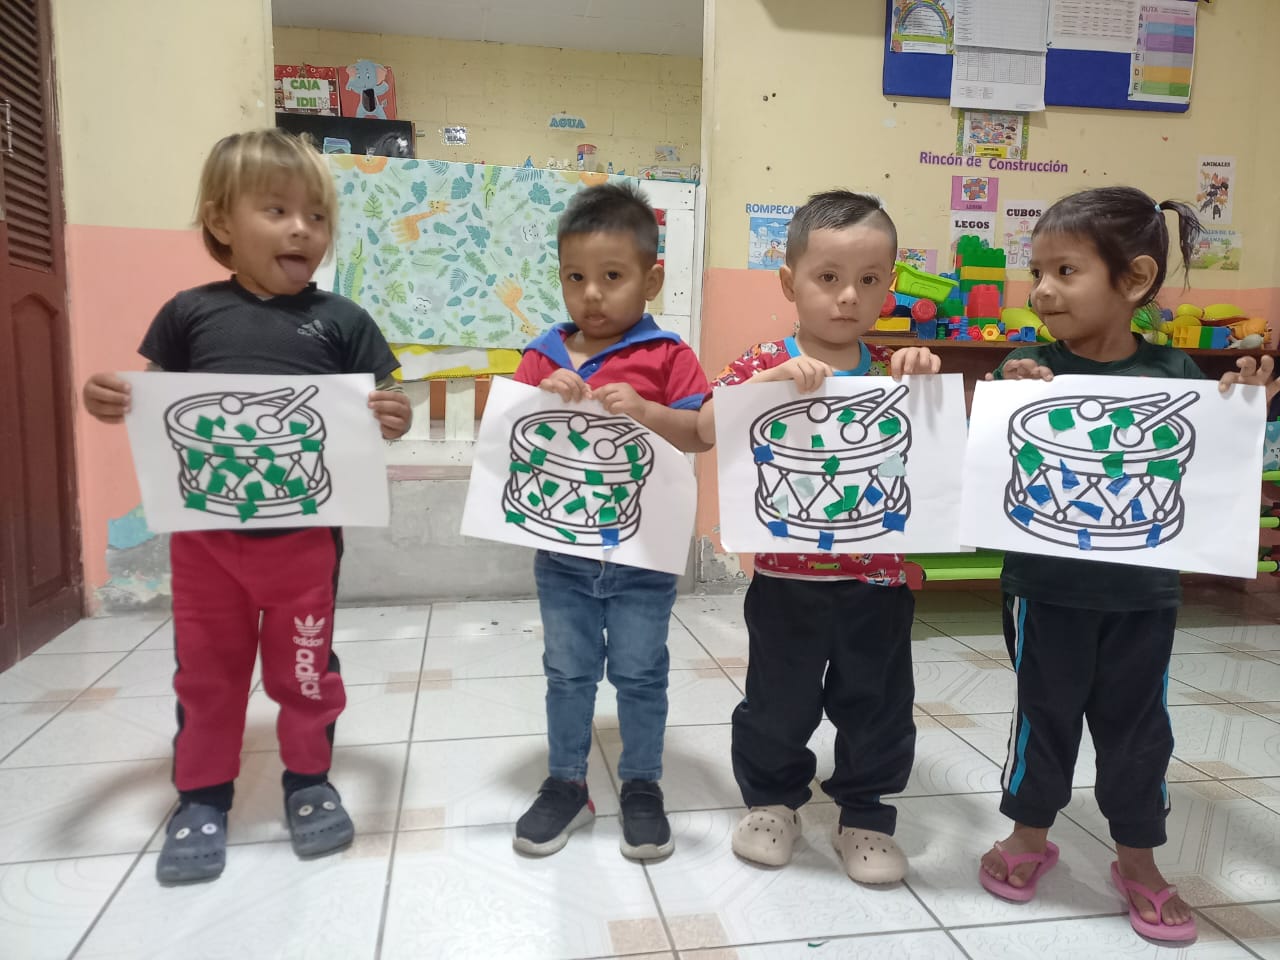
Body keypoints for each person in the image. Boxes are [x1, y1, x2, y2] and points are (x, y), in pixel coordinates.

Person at [81, 129, 412, 884]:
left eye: (318, 216)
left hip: (304, 545)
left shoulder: (344, 321)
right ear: (221, 222)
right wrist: (109, 398)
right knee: (207, 675)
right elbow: (151, 400)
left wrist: (393, 416)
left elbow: (387, 408)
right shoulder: (187, 314)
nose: (303, 230)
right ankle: (202, 797)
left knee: (304, 672)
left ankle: (309, 781)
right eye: (277, 210)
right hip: (205, 545)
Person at [977, 185, 1276, 942]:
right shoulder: (1028, 370)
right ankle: (1028, 833)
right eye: (1036, 272)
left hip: (1144, 597)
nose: (1042, 291)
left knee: (1139, 728)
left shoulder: (1180, 376)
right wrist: (1008, 393)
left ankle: (1137, 856)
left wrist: (1245, 408)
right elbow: (993, 453)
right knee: (1043, 717)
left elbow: (1217, 472)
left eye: (1065, 271)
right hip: (1045, 592)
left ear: (1135, 280)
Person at [696, 190, 941, 885]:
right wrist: (766, 386)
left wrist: (926, 382)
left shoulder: (895, 369)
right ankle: (773, 803)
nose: (848, 296)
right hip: (787, 583)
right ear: (790, 282)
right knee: (778, 701)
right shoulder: (762, 363)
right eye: (828, 277)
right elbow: (707, 428)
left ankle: (864, 815)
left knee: (879, 705)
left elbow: (936, 453)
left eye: (869, 280)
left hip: (878, 584)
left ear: (889, 288)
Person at [511, 182, 711, 861]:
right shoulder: (542, 354)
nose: (591, 294)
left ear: (651, 280)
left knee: (640, 674)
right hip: (562, 556)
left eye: (612, 277)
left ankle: (642, 784)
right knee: (566, 673)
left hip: (643, 556)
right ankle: (567, 783)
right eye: (575, 277)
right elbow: (511, 437)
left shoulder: (669, 356)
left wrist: (648, 412)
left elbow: (699, 434)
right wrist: (543, 397)